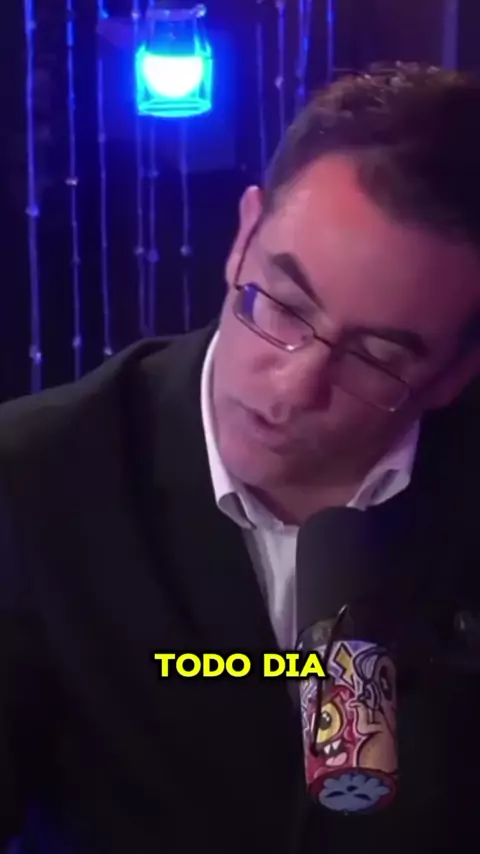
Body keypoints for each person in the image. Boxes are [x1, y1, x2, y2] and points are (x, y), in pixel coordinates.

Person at [1, 61, 480, 853]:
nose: (293, 387)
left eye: (375, 357)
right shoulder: (33, 483)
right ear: (243, 236)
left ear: (456, 373)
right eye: (282, 304)